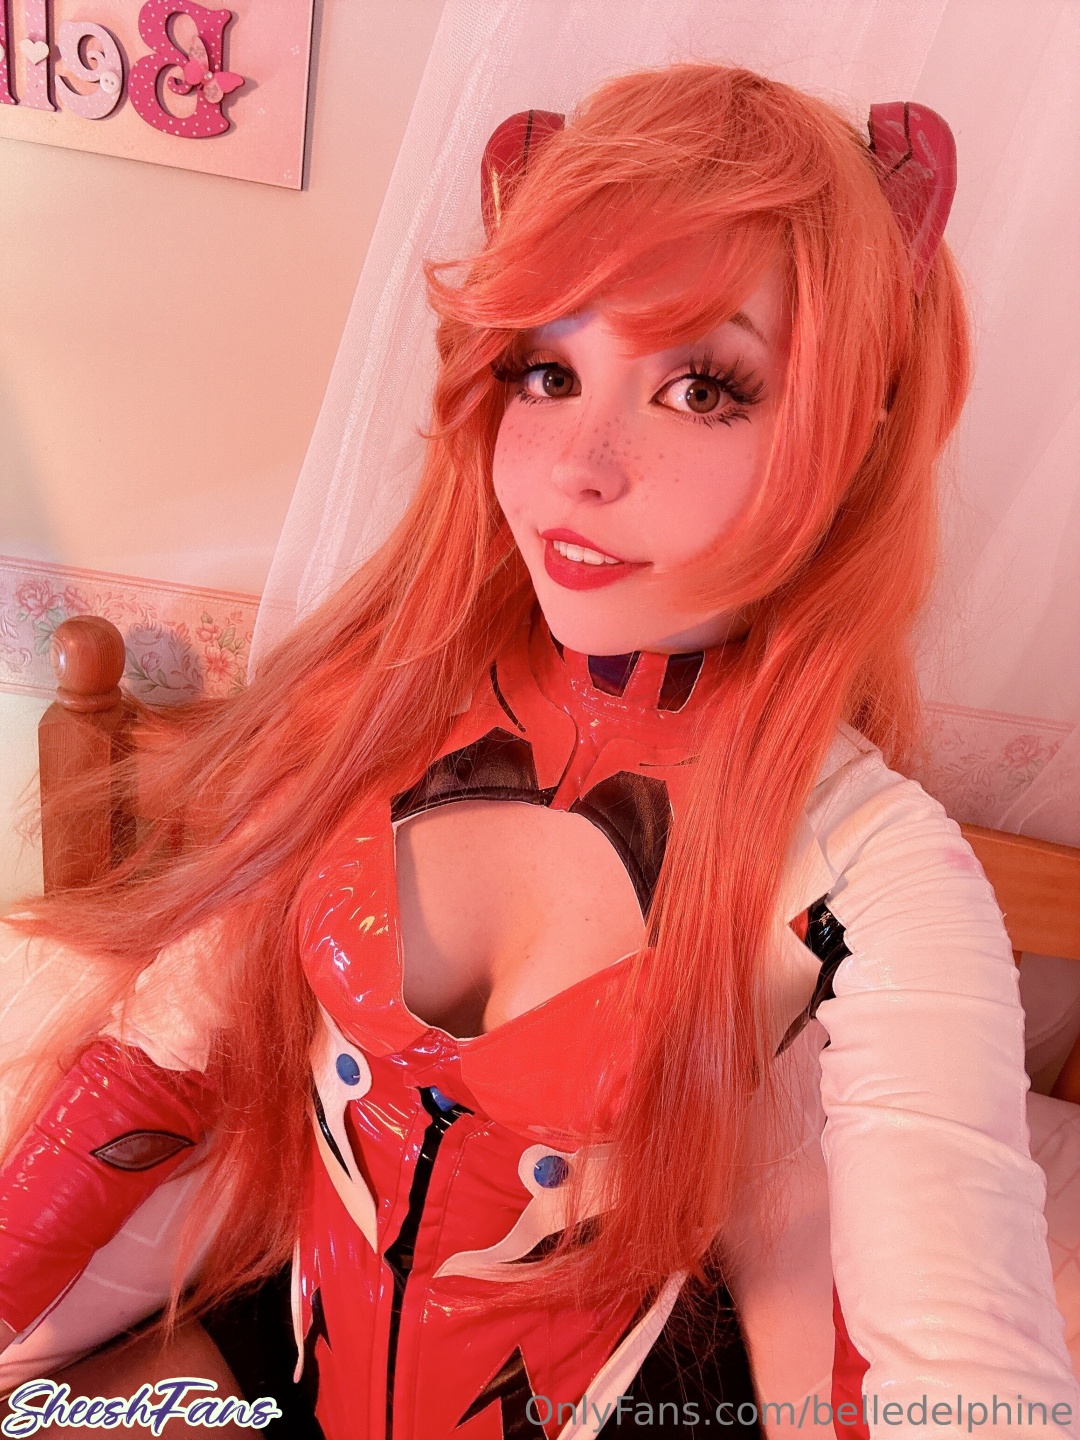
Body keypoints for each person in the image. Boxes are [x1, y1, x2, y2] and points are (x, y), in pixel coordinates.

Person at [0, 63, 1076, 1439]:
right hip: (279, 1347)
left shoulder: (875, 867)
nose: (579, 464)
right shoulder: (368, 714)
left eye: (704, 387)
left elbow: (957, 1331)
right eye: (549, 372)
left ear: (852, 429)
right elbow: (161, 1066)